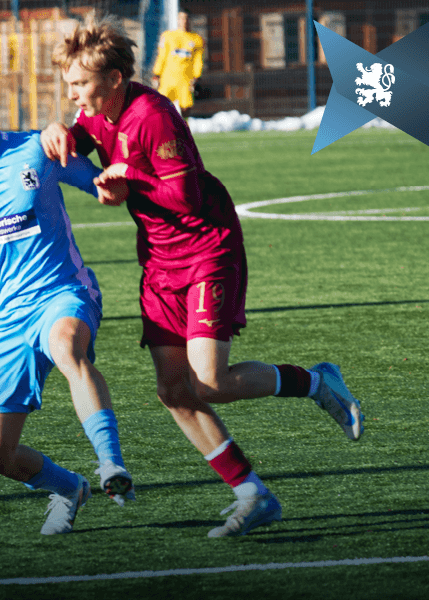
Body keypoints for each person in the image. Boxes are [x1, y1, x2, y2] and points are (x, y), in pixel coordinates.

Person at [41, 18, 364, 537]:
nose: (73, 94)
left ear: (116, 79)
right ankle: (252, 494)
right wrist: (56, 131)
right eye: (69, 84)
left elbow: (185, 198)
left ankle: (316, 382)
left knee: (210, 382)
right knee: (173, 389)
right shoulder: (97, 112)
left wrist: (130, 177)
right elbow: (78, 135)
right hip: (159, 259)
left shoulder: (153, 116)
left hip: (206, 249)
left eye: (80, 83)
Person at [0, 79, 134, 535]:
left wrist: (110, 187)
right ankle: (69, 488)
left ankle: (110, 463)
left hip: (62, 293)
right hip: (4, 323)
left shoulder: (36, 151)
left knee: (66, 348)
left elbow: (100, 184)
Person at [151, 9, 204, 116]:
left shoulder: (196, 39)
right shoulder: (168, 36)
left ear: (190, 20)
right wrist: (156, 73)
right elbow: (162, 56)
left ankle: (184, 125)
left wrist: (196, 76)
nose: (184, 21)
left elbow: (198, 60)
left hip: (185, 79)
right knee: (163, 106)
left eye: (186, 18)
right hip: (168, 78)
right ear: (177, 20)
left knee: (185, 107)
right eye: (181, 18)